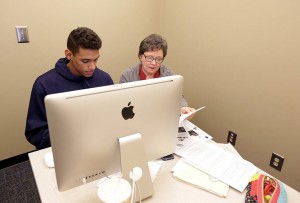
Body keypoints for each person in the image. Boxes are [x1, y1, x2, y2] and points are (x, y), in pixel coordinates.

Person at [25, 27, 114, 150]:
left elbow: (113, 118)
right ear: (69, 55)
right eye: (85, 61)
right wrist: (74, 136)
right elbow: (35, 133)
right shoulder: (44, 84)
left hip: (100, 145)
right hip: (63, 149)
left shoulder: (104, 79)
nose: (92, 66)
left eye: (96, 59)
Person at [119, 33, 195, 115]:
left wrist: (183, 108)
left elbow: (178, 97)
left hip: (161, 116)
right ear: (140, 56)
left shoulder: (169, 75)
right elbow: (122, 103)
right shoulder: (128, 75)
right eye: (149, 58)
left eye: (159, 59)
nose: (154, 63)